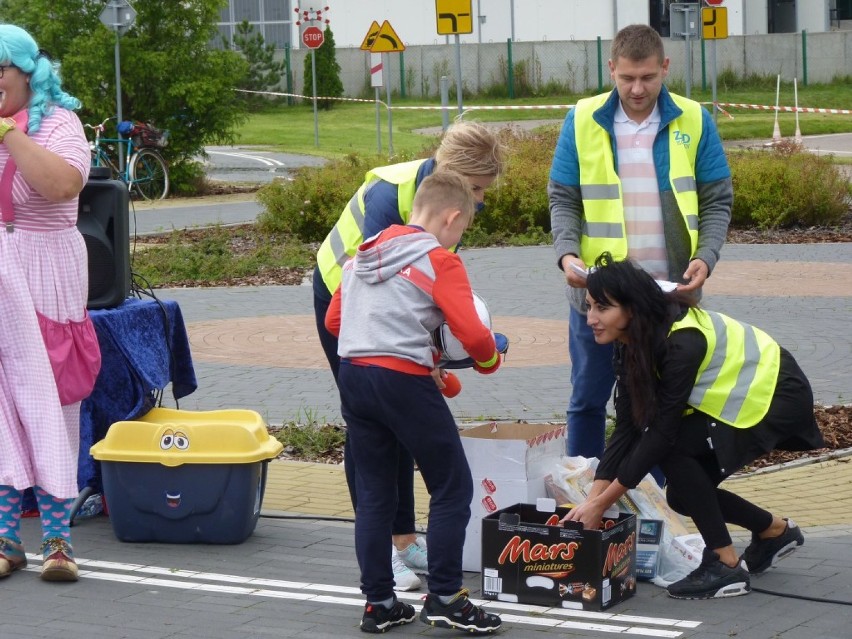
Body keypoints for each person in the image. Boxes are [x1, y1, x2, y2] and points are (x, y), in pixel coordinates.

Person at [563, 253, 824, 600]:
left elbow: (660, 434)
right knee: (684, 496)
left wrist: (602, 503)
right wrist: (592, 501)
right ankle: (774, 531)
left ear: (632, 309)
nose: (591, 318)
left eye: (602, 308)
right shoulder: (630, 342)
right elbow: (627, 427)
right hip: (744, 396)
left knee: (672, 450)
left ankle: (725, 564)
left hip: (773, 395)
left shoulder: (681, 342)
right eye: (590, 306)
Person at [313, 120, 504, 590]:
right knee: (375, 431)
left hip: (375, 314)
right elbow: (374, 289)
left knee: (387, 421)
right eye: (477, 190)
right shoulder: (391, 199)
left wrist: (430, 356)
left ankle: (398, 546)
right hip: (342, 295)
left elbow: (422, 296)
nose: (479, 200)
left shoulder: (441, 204)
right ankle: (390, 558)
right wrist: (457, 356)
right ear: (455, 177)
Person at [548, 23, 733, 460]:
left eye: (648, 77)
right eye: (627, 77)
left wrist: (706, 258)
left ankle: (664, 509)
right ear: (611, 68)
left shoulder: (693, 119)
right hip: (598, 296)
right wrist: (567, 254)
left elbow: (717, 200)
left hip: (669, 296)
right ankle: (587, 498)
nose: (636, 88)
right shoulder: (581, 119)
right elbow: (563, 198)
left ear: (665, 68)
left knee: (668, 405)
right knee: (588, 403)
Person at [0, 25, 93, 582]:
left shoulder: (60, 124)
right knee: (1, 407)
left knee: (53, 401)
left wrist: (9, 134)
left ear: (26, 72)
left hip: (47, 272)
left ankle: (58, 541)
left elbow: (61, 186)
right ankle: (7, 538)